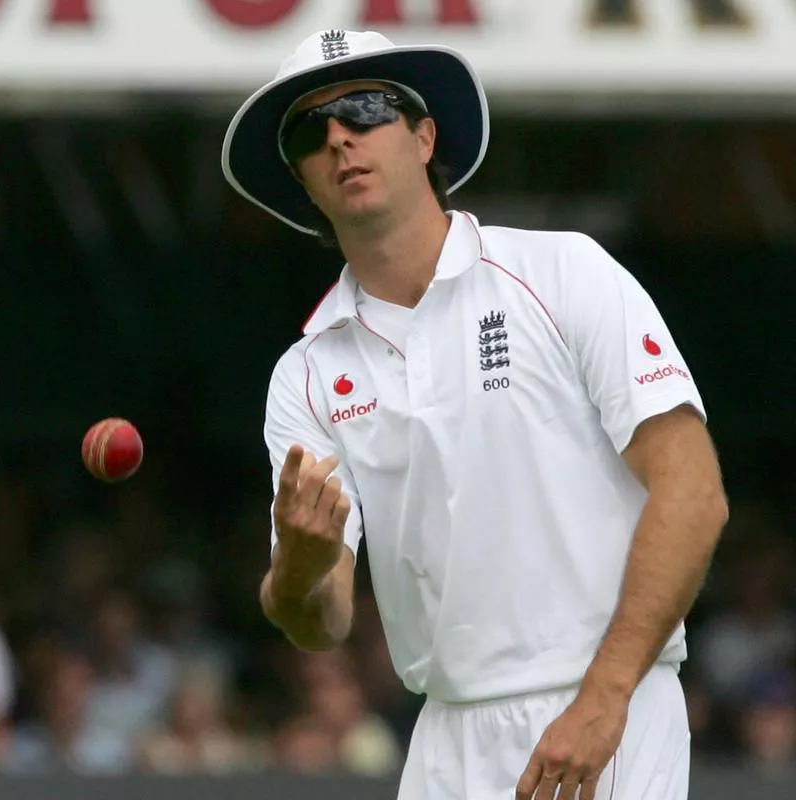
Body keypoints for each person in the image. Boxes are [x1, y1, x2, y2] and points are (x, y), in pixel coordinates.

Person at [221, 28, 729, 800]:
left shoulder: (563, 272)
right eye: (307, 130)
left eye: (363, 109)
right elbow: (317, 621)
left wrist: (604, 700)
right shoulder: (307, 374)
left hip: (606, 705)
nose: (338, 138)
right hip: (446, 733)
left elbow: (694, 496)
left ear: (425, 137)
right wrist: (298, 558)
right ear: (302, 180)